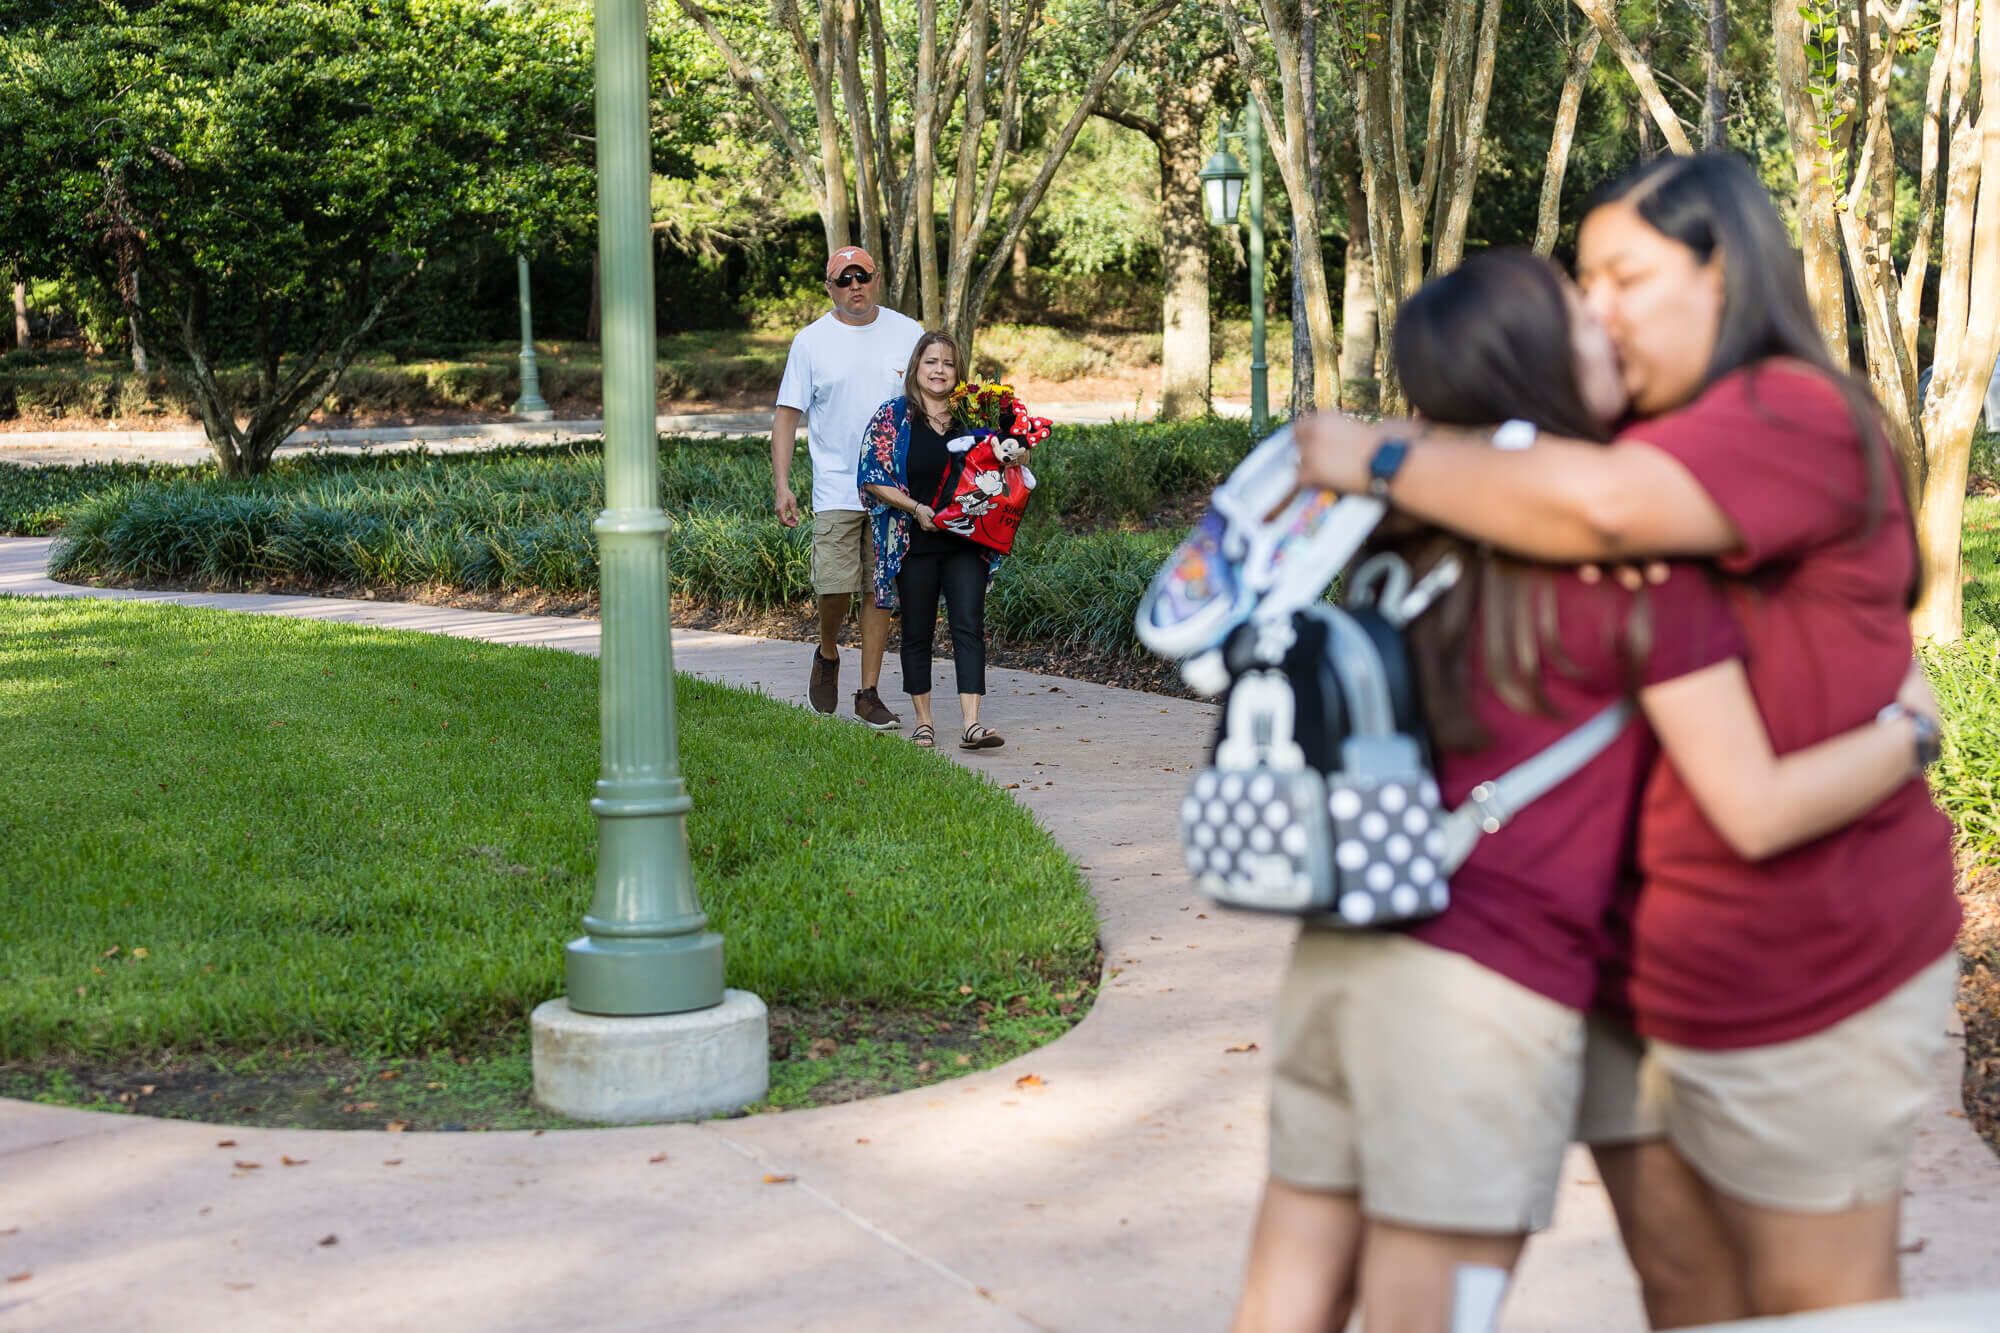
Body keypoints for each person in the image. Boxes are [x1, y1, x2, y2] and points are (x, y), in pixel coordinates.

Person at [1288, 154, 1961, 1324]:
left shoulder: (1783, 411)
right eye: (1581, 282)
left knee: (1816, 1306)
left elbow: (1605, 512)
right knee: (1688, 1296)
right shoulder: (1615, 439)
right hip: (1628, 968)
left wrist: (1378, 455)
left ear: (1722, 270)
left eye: (1623, 275)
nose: (1593, 306)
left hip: (1808, 964)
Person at [773, 245, 923, 729]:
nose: (855, 285)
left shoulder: (908, 332)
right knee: (835, 587)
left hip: (895, 491)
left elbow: (936, 398)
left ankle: (868, 693)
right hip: (837, 487)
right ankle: (828, 649)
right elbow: (786, 416)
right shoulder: (811, 341)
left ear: (877, 279)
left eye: (864, 276)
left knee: (881, 591)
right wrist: (782, 484)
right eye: (844, 279)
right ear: (829, 287)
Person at [857, 331, 1006, 751]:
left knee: (968, 625)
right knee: (918, 630)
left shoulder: (974, 417)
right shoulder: (893, 417)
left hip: (966, 541)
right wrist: (915, 508)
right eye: (931, 362)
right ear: (915, 368)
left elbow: (1006, 459)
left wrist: (1016, 452)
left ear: (958, 372)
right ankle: (924, 721)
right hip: (913, 540)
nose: (939, 370)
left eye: (947, 363)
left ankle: (972, 724)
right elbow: (872, 476)